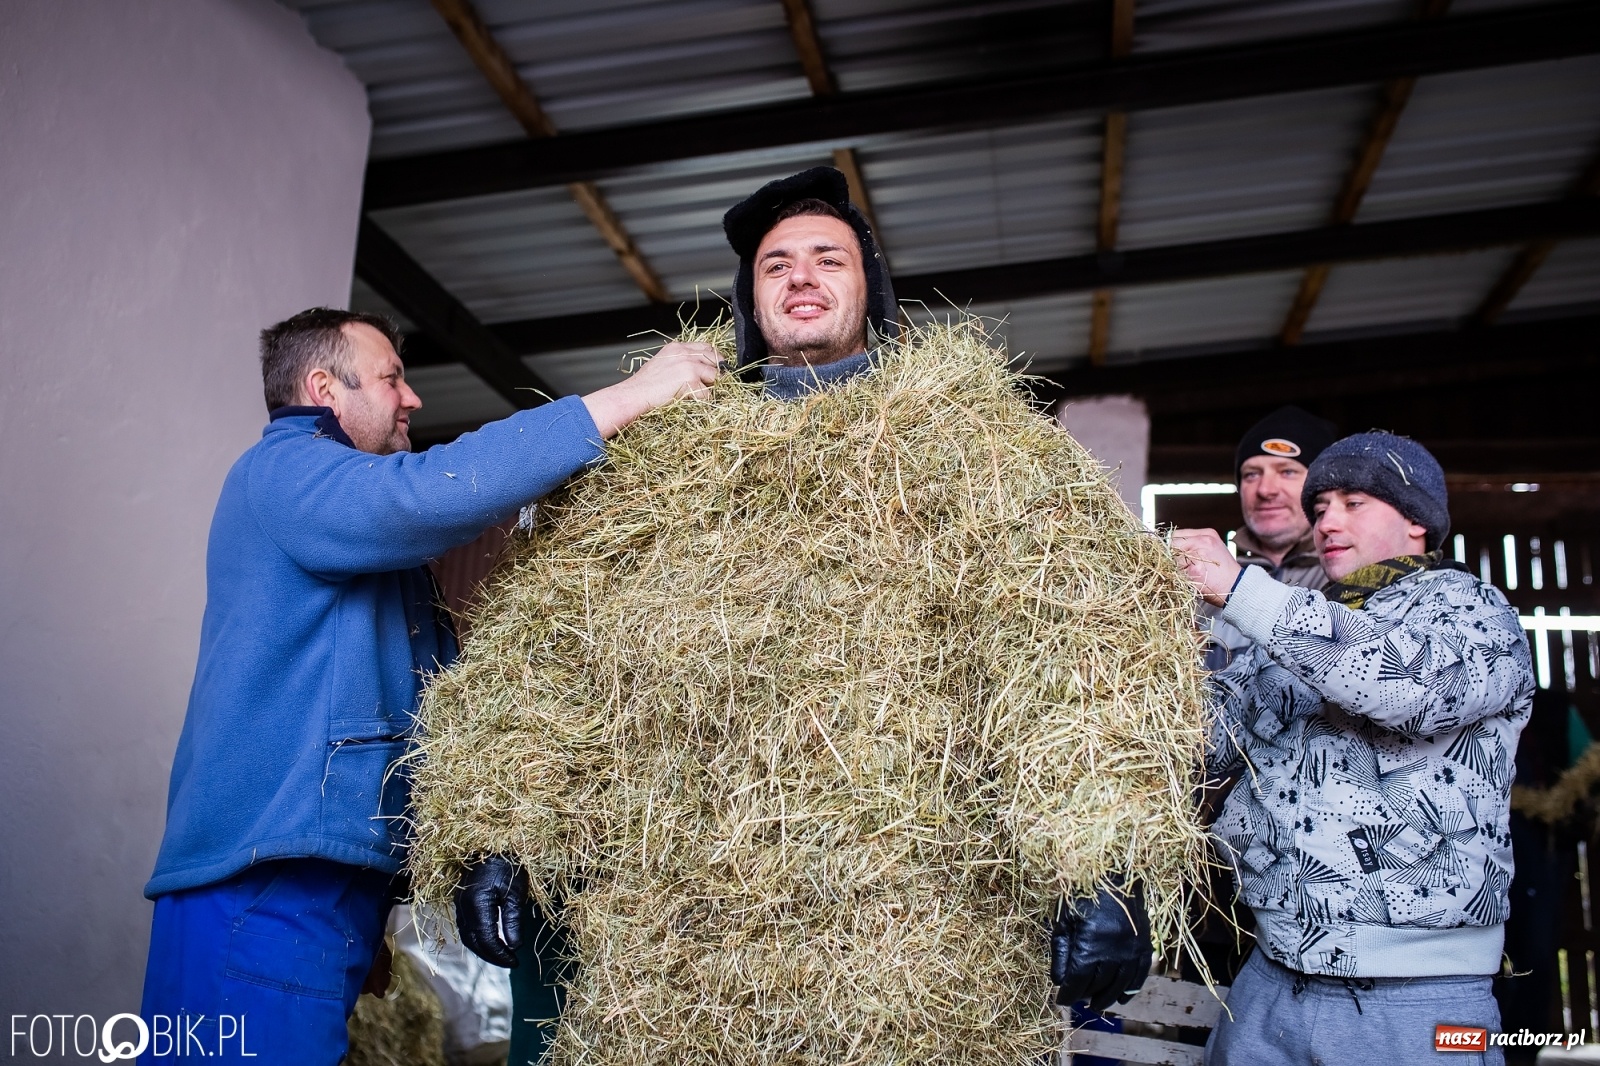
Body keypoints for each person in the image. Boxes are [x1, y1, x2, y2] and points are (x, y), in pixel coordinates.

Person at [452, 168, 1156, 1052]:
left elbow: (1075, 653)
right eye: (776, 265)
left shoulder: (978, 451)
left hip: (910, 942)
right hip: (677, 945)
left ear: (873, 292)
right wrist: (498, 825)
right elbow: (550, 653)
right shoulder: (655, 465)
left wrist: (1104, 862)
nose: (801, 276)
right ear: (750, 303)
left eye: (829, 258)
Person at [139, 307, 718, 1064]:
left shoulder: (360, 543)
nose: (412, 398)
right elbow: (424, 495)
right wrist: (626, 400)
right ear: (323, 388)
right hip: (263, 889)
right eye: (392, 378)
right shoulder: (284, 469)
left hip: (318, 892)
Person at [1172, 432, 1533, 1066]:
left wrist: (1242, 591)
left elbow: (1405, 686)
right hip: (1271, 978)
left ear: (1417, 520)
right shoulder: (1295, 629)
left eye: (1353, 503)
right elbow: (1203, 747)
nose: (1327, 522)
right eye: (1319, 509)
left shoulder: (1472, 611)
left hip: (1420, 999)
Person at [1203, 406, 1338, 672]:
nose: (1265, 490)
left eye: (1287, 471)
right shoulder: (1204, 581)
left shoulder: (1341, 579)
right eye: (1252, 474)